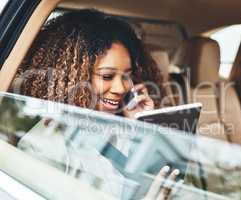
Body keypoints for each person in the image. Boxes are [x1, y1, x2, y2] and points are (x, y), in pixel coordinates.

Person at [14, 9, 179, 199]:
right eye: (107, 76)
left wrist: (144, 126)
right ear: (74, 78)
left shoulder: (121, 130)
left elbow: (166, 181)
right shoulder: (45, 146)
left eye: (127, 75)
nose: (120, 87)